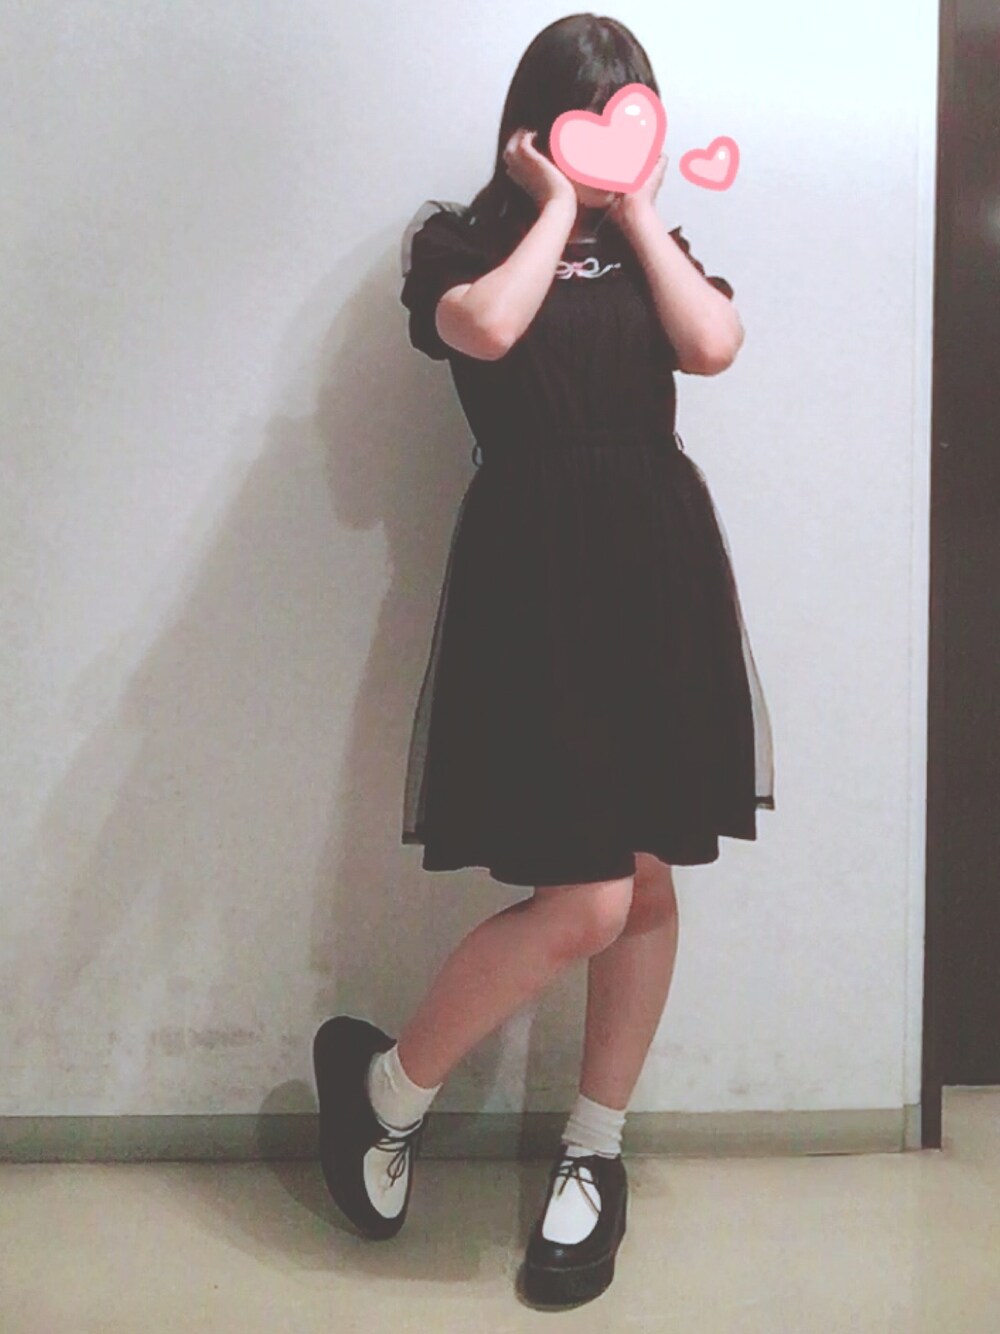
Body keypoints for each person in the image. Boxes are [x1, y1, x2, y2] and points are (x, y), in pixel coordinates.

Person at [313, 11, 775, 1307]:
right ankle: (386, 1089)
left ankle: (593, 1151)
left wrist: (633, 213)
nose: (614, 136)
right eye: (590, 113)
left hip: (657, 575)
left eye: (634, 113)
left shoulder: (653, 247)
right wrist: (557, 204)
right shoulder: (460, 242)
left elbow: (713, 345)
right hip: (535, 584)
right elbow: (486, 333)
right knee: (587, 900)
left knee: (648, 878)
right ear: (533, 124)